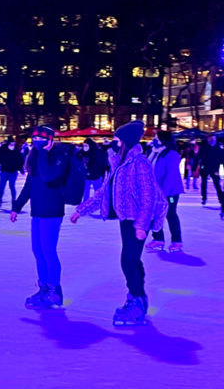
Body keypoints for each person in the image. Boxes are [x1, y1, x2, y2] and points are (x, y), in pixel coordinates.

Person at [70, 121, 168, 326]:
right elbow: (104, 192)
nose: (112, 143)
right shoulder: (120, 163)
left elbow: (148, 196)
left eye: (116, 140)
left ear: (125, 142)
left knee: (128, 260)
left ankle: (137, 301)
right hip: (127, 218)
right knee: (132, 260)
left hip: (138, 219)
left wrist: (141, 226)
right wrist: (82, 210)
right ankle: (137, 298)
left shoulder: (139, 163)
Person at [10, 126, 71, 310]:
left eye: (42, 139)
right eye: (34, 139)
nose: (37, 142)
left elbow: (48, 176)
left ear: (50, 140)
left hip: (52, 211)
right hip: (37, 211)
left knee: (48, 251)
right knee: (38, 250)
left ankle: (54, 291)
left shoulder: (60, 156)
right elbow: (30, 185)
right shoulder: (35, 157)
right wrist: (17, 206)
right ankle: (44, 288)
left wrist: (44, 153)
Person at [146, 130, 185, 253]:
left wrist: (163, 193)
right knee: (154, 215)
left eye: (156, 138)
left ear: (164, 140)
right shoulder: (155, 153)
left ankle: (177, 241)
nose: (154, 140)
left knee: (170, 214)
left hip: (169, 191)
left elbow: (171, 176)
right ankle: (158, 239)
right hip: (154, 191)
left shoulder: (172, 154)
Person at [0, 137, 23, 208]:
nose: (12, 144)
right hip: (5, 171)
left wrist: (20, 168)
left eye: (13, 143)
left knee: (11, 186)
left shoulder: (16, 150)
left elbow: (20, 160)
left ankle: (13, 201)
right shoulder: (4, 149)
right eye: (11, 143)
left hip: (12, 171)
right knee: (2, 187)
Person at [199, 134, 224, 206]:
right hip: (205, 168)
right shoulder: (204, 146)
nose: (212, 139)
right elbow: (199, 156)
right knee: (204, 183)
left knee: (217, 184)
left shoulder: (217, 147)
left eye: (213, 138)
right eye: (210, 138)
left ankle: (221, 199)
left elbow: (220, 158)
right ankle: (204, 198)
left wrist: (218, 168)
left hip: (214, 168)